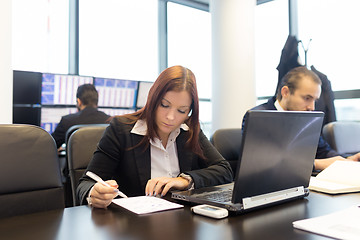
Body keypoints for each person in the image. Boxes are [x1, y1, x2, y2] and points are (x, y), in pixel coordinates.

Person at [77, 65, 233, 208]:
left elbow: (224, 170)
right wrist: (94, 193)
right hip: (133, 226)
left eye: (181, 111)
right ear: (153, 98)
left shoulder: (190, 130)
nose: (171, 117)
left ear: (189, 111)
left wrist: (184, 180)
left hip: (183, 223)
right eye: (164, 105)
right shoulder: (121, 130)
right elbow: (86, 183)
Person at [242, 66, 360, 171]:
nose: (312, 107)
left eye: (315, 100)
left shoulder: (307, 118)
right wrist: (316, 164)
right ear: (286, 92)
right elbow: (265, 163)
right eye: (307, 98)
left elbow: (323, 151)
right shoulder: (258, 117)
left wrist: (347, 160)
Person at [51, 84, 111, 149]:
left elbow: (50, 146)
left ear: (79, 101)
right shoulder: (110, 121)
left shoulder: (67, 121)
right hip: (100, 159)